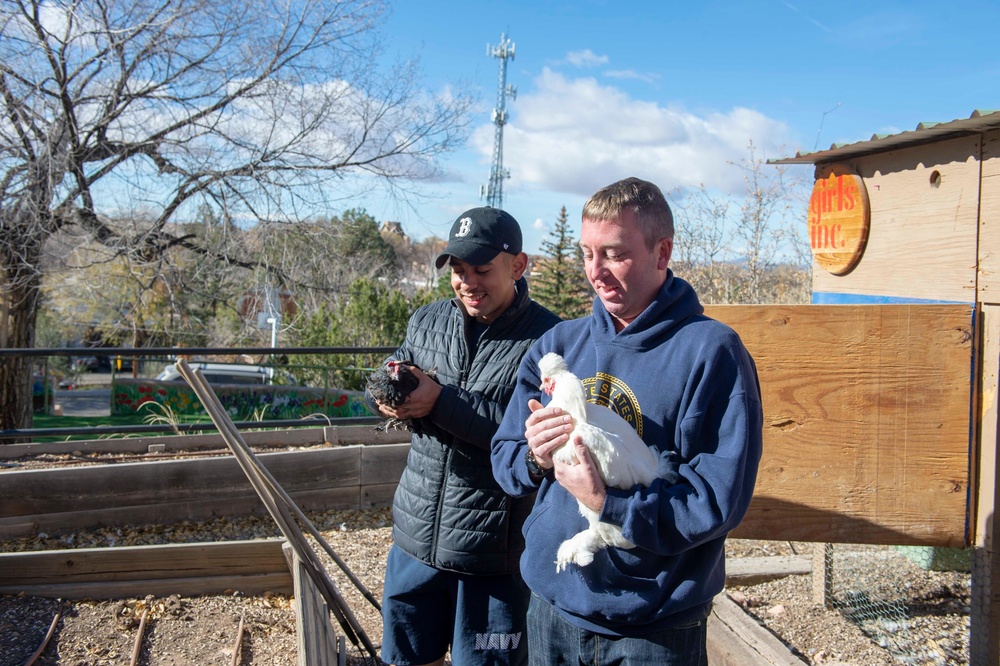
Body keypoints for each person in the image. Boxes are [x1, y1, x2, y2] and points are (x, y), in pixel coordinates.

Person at [491, 177, 763, 665]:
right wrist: (534, 457)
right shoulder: (558, 348)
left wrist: (606, 503)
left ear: (663, 252)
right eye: (587, 253)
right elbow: (504, 458)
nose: (596, 272)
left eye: (614, 254)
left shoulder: (711, 353)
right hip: (553, 606)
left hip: (653, 627)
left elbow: (716, 501)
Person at [366, 206, 561, 666]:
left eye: (481, 269)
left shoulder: (550, 340)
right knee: (406, 658)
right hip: (416, 540)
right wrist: (385, 394)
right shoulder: (427, 320)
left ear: (518, 266)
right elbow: (384, 376)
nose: (467, 281)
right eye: (457, 270)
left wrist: (441, 403)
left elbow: (530, 436)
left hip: (493, 555)